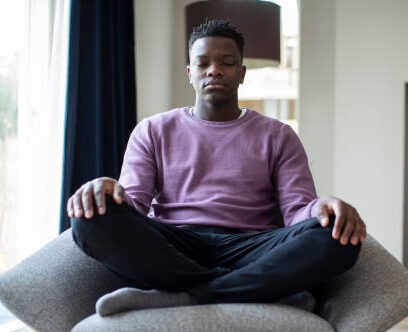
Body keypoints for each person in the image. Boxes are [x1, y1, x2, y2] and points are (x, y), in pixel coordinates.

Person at [68, 19, 366, 316]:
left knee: (335, 238)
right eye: (202, 64)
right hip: (175, 246)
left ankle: (183, 296)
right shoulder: (153, 130)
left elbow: (297, 212)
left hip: (250, 247)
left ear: (242, 74)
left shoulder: (279, 135)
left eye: (227, 62)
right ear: (190, 73)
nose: (214, 70)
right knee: (92, 218)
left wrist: (320, 208)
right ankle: (258, 292)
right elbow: (133, 203)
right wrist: (108, 189)